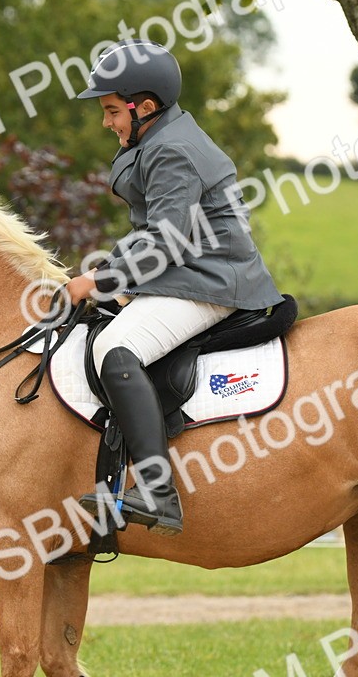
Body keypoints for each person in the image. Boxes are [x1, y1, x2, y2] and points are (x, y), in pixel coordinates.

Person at [67, 40, 282, 536]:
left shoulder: (173, 150)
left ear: (145, 106)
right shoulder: (157, 139)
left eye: (110, 111)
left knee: (116, 351)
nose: (106, 123)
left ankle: (159, 493)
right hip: (187, 272)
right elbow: (148, 236)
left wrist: (97, 280)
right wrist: (97, 278)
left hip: (210, 281)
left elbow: (164, 241)